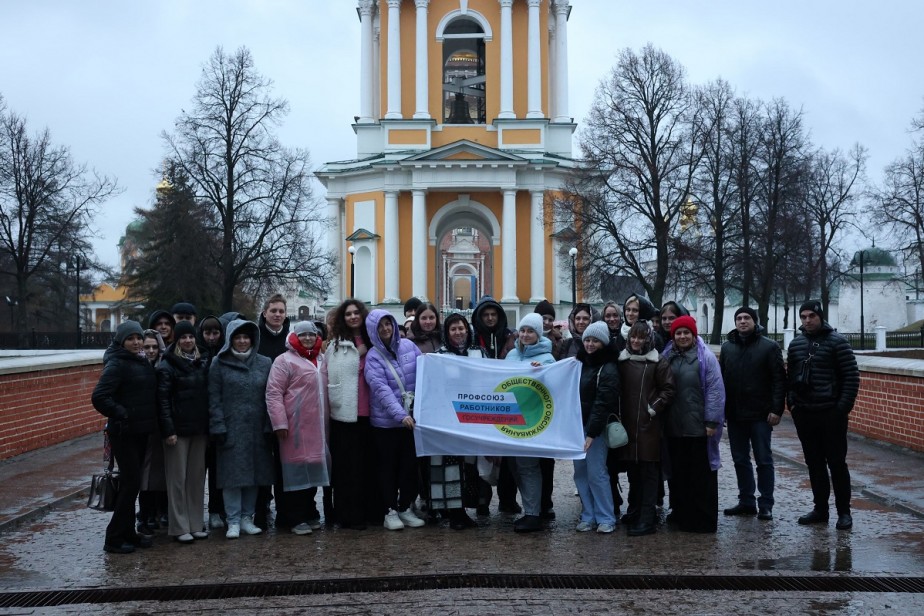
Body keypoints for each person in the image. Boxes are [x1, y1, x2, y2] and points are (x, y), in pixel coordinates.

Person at [787, 300, 860, 530]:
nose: (807, 320)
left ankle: (844, 512)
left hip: (830, 413)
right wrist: (793, 404)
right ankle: (820, 509)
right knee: (814, 463)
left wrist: (840, 409)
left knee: (837, 463)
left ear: (820, 317)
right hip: (805, 413)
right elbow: (791, 376)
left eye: (811, 316)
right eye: (803, 317)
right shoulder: (797, 344)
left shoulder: (838, 343)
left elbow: (851, 377)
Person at [91, 321, 157, 554]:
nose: (137, 342)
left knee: (133, 483)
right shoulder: (117, 364)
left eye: (138, 338)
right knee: (130, 484)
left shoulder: (138, 361)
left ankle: (127, 532)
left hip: (139, 431)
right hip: (124, 433)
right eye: (131, 339)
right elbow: (100, 397)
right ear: (121, 341)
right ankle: (114, 537)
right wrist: (122, 413)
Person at [209, 319, 274, 539]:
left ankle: (248, 517)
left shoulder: (264, 363)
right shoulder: (219, 363)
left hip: (257, 428)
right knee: (232, 477)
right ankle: (233, 520)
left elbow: (271, 396)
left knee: (254, 475)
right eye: (238, 337)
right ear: (230, 340)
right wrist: (218, 424)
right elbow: (214, 397)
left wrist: (269, 424)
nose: (243, 341)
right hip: (231, 427)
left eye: (246, 337)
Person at [265, 321, 331, 535]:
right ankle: (294, 516)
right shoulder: (284, 361)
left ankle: (310, 510)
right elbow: (273, 393)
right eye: (303, 335)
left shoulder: (322, 359)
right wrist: (280, 422)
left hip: (319, 426)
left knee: (314, 467)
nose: (308, 338)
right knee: (295, 471)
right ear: (295, 337)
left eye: (312, 335)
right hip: (294, 426)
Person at [720, 306, 785, 521]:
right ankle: (746, 501)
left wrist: (777, 409)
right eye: (739, 318)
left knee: (763, 459)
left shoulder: (769, 347)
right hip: (736, 414)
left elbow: (778, 380)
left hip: (760, 414)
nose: (742, 321)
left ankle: (766, 503)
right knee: (740, 459)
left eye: (747, 318)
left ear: (755, 321)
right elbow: (721, 381)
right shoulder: (727, 348)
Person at [663, 315, 725, 534]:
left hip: (699, 427)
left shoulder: (704, 357)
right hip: (674, 427)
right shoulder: (667, 355)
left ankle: (704, 521)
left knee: (702, 477)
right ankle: (683, 515)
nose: (682, 336)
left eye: (686, 333)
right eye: (678, 333)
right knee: (679, 475)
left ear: (693, 334)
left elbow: (715, 390)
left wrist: (712, 421)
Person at [364, 309, 425, 530]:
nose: (385, 329)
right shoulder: (373, 357)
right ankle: (389, 509)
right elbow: (380, 389)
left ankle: (405, 506)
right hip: (386, 424)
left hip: (411, 421)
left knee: (409, 467)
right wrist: (400, 415)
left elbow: (425, 371)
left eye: (388, 324)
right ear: (374, 330)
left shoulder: (409, 347)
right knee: (387, 468)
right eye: (380, 326)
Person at [324, 299, 380, 530]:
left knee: (369, 466)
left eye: (357, 312)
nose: (353, 317)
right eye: (348, 314)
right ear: (343, 318)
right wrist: (359, 354)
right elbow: (334, 372)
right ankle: (349, 514)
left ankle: (371, 511)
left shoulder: (374, 341)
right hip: (345, 413)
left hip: (371, 411)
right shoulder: (337, 345)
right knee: (347, 469)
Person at [617, 320, 674, 536]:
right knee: (633, 473)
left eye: (641, 337)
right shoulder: (622, 361)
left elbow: (668, 389)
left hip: (649, 427)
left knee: (649, 475)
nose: (636, 341)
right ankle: (635, 510)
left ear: (648, 339)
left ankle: (647, 518)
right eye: (633, 336)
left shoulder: (658, 362)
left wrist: (653, 409)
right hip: (628, 426)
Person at [156, 319, 210, 543]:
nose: (188, 341)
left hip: (199, 428)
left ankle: (196, 523)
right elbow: (163, 401)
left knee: (196, 479)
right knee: (177, 479)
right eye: (183, 337)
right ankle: (179, 526)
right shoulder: (167, 365)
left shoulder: (202, 361)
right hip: (177, 431)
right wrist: (168, 429)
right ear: (177, 340)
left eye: (190, 337)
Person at [433, 312, 486, 530]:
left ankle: (467, 507)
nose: (458, 332)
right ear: (447, 332)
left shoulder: (479, 352)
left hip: (473, 418)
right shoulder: (440, 355)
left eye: (461, 328)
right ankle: (455, 512)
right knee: (451, 466)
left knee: (470, 465)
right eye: (453, 329)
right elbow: (435, 385)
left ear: (468, 330)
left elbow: (489, 379)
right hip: (449, 419)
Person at [504, 313, 557, 533]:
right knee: (515, 466)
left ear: (538, 333)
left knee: (528, 467)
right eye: (523, 330)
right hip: (510, 421)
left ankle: (533, 514)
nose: (525, 335)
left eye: (530, 331)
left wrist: (541, 373)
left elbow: (555, 385)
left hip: (532, 422)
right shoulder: (512, 355)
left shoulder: (546, 359)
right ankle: (531, 508)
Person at [470, 296, 520, 514]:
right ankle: (483, 499)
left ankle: (507, 498)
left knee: (508, 454)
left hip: (506, 401)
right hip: (480, 402)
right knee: (482, 452)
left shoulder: (511, 339)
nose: (490, 318)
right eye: (486, 315)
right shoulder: (472, 339)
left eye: (493, 314)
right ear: (479, 317)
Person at [573, 321, 620, 534]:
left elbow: (603, 403)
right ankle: (588, 515)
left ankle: (606, 517)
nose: (590, 344)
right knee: (580, 473)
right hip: (577, 427)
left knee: (596, 473)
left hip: (595, 430)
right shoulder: (580, 363)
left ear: (603, 342)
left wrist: (592, 433)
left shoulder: (607, 367)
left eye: (595, 340)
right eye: (587, 340)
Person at [255, 293, 291, 529]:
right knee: (260, 461)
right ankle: (260, 507)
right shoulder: (256, 339)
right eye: (273, 311)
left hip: (285, 411)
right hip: (259, 409)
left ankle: (284, 510)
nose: (277, 315)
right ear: (265, 313)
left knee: (283, 462)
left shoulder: (290, 340)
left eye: (281, 311)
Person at [197, 315, 226, 530]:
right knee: (197, 471)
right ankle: (196, 512)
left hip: (219, 419)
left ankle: (217, 509)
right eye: (208, 333)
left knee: (218, 469)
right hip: (199, 420)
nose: (211, 337)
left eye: (215, 333)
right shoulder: (196, 356)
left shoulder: (225, 355)